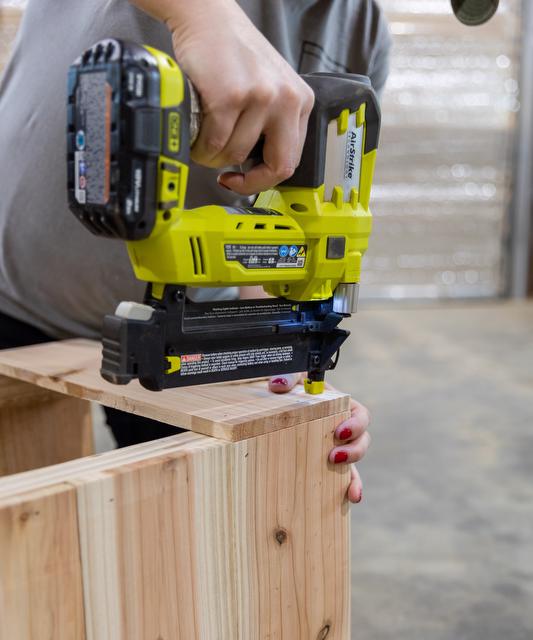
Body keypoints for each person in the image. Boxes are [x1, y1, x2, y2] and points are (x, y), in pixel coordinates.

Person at [0, 0, 391, 502]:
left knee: (218, 516)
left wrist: (279, 366)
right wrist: (201, 15)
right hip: (13, 292)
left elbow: (302, 218)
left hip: (179, 325)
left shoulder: (365, 30)